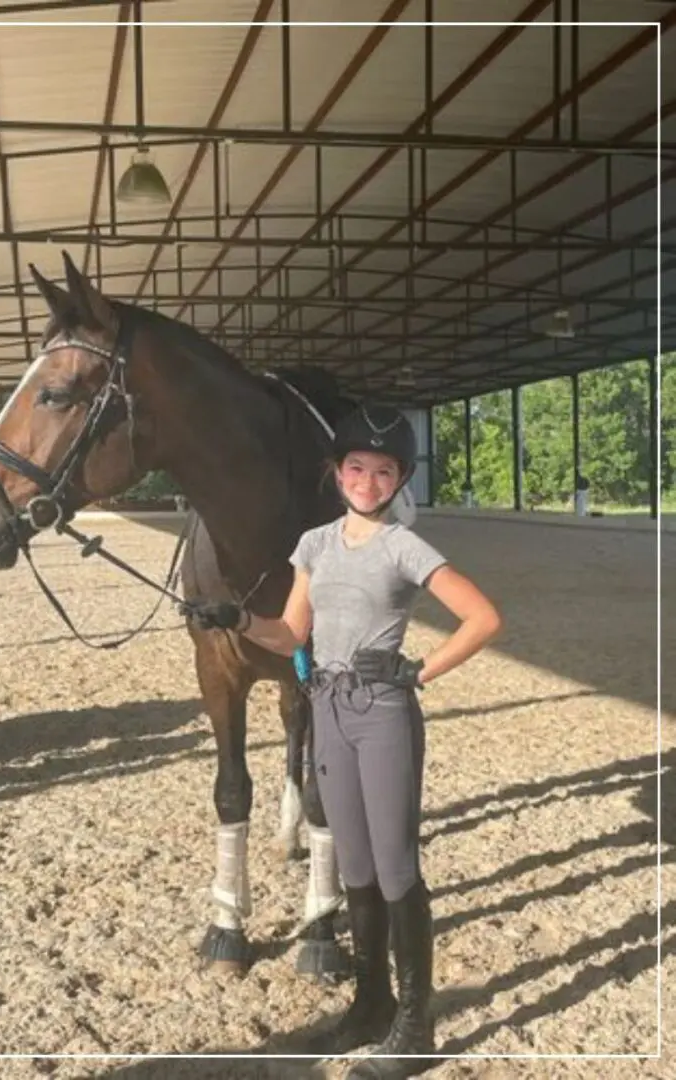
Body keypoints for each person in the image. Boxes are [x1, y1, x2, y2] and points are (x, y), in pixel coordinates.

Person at [182, 403, 502, 1078]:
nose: (368, 480)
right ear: (338, 473)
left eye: (383, 471)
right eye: (357, 467)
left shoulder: (405, 547)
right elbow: (289, 634)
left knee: (395, 867)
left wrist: (420, 670)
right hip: (326, 707)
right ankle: (371, 1003)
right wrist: (236, 617)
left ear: (398, 480)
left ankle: (414, 1025)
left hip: (384, 711)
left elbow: (482, 617)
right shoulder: (316, 546)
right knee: (353, 865)